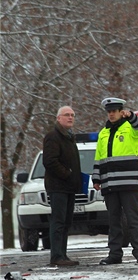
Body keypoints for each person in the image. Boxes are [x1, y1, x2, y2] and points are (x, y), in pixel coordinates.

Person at [93, 97, 138, 264]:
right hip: (109, 185)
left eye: (114, 111)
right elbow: (99, 158)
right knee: (114, 221)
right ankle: (114, 254)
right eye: (109, 112)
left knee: (133, 219)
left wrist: (130, 115)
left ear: (120, 111)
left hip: (129, 184)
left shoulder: (130, 127)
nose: (111, 114)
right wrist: (96, 178)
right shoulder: (103, 133)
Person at [42, 106, 82, 266]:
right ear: (58, 118)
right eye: (67, 115)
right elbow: (50, 161)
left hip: (69, 188)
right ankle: (56, 256)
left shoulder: (69, 137)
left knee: (66, 222)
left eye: (72, 115)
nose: (70, 117)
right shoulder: (53, 137)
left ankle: (63, 255)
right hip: (58, 186)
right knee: (58, 221)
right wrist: (67, 174)